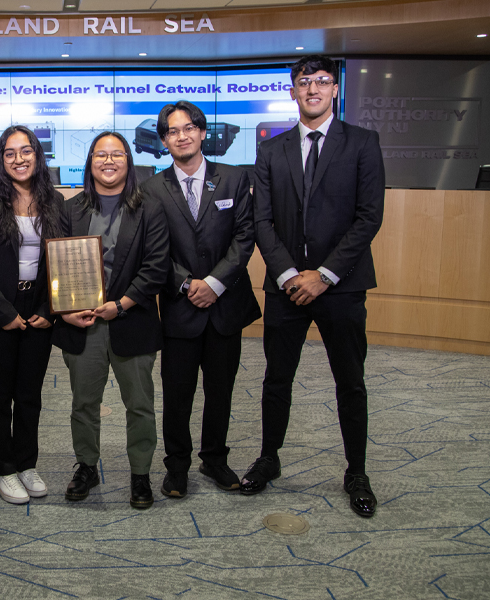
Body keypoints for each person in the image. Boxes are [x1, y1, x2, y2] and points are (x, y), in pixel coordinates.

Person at [246, 55, 385, 518]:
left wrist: (323, 276)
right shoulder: (272, 149)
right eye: (304, 82)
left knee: (351, 382)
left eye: (322, 81)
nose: (313, 89)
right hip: (285, 287)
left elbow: (369, 218)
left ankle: (357, 471)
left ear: (334, 90)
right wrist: (289, 275)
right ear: (293, 91)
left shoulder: (363, 143)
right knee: (275, 380)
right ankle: (269, 460)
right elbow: (261, 220)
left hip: (341, 287)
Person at [141, 102, 261, 497]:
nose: (182, 136)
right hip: (179, 307)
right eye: (173, 131)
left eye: (189, 128)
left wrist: (215, 283)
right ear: (163, 141)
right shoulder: (151, 189)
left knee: (221, 390)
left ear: (202, 132)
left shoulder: (233, 179)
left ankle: (214, 458)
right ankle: (177, 466)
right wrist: (187, 284)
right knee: (177, 393)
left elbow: (245, 237)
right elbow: (153, 250)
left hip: (225, 306)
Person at [53, 131, 169, 509]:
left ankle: (140, 475)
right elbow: (53, 267)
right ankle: (87, 466)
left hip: (131, 320)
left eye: (116, 154)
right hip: (82, 324)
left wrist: (120, 305)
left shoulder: (149, 207)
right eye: (100, 154)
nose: (108, 161)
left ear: (128, 161)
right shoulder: (70, 209)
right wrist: (65, 309)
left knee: (140, 404)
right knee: (83, 403)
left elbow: (156, 268)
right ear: (90, 161)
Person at [0, 125, 64, 504]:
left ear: (38, 156)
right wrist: (4, 313)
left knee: (30, 394)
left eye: (26, 151)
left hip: (38, 312)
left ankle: (27, 463)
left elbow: (62, 263)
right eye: (10, 153)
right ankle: (3, 470)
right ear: (1, 159)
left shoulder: (55, 202)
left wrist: (46, 311)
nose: (19, 159)